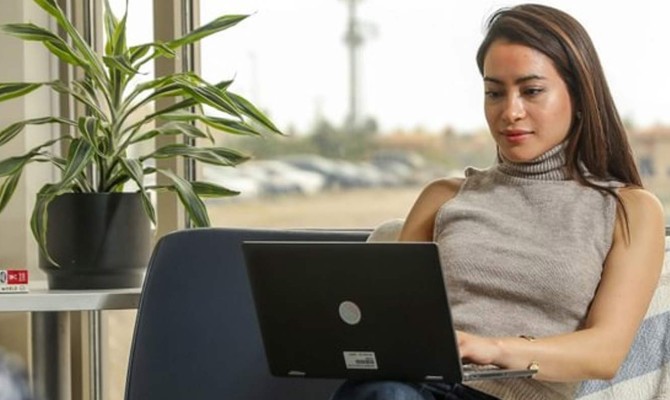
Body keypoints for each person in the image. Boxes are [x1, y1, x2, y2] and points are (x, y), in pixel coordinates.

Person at [331, 3, 665, 400]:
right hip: (412, 389)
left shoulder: (628, 210)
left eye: (532, 90)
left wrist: (492, 348)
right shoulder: (444, 198)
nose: (510, 111)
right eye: (494, 92)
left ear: (579, 95)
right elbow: (388, 322)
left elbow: (604, 352)